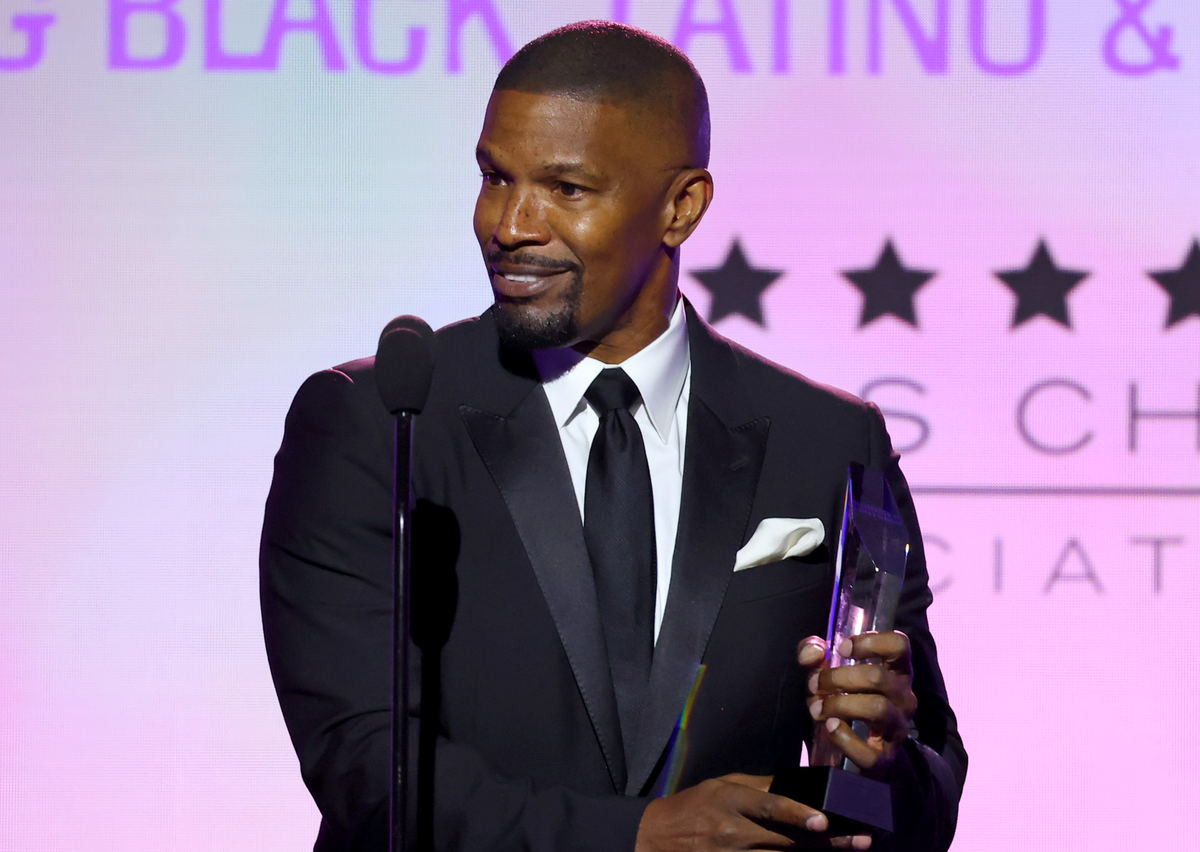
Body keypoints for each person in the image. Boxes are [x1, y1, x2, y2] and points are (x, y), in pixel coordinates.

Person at [261, 20, 966, 852]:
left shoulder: (828, 439)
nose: (511, 223)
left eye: (567, 189)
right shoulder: (377, 422)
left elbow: (919, 811)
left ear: (681, 207)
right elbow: (368, 769)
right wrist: (635, 835)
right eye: (495, 177)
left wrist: (872, 770)